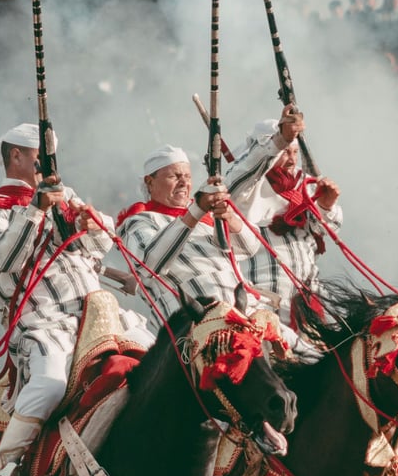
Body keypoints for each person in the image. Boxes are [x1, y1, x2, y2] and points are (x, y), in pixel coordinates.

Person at [0, 123, 153, 476]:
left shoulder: (65, 197)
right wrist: (35, 210)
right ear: (15, 155)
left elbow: (104, 244)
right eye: (40, 156)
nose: (47, 164)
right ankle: (5, 469)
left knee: (161, 363)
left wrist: (88, 221)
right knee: (50, 383)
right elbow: (4, 262)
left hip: (99, 314)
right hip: (43, 322)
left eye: (51, 157)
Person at [117, 107, 303, 328]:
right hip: (197, 322)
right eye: (174, 176)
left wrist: (230, 217)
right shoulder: (139, 221)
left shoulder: (203, 213)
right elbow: (149, 264)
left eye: (187, 176)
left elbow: (247, 248)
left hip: (246, 310)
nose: (184, 183)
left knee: (317, 355)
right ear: (150, 182)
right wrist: (195, 211)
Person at [225, 109, 341, 349]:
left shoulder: (303, 184)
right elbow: (243, 174)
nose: (291, 159)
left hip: (309, 302)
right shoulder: (246, 188)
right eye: (285, 151)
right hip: (264, 305)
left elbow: (325, 231)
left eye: (295, 152)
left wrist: (326, 205)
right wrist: (281, 139)